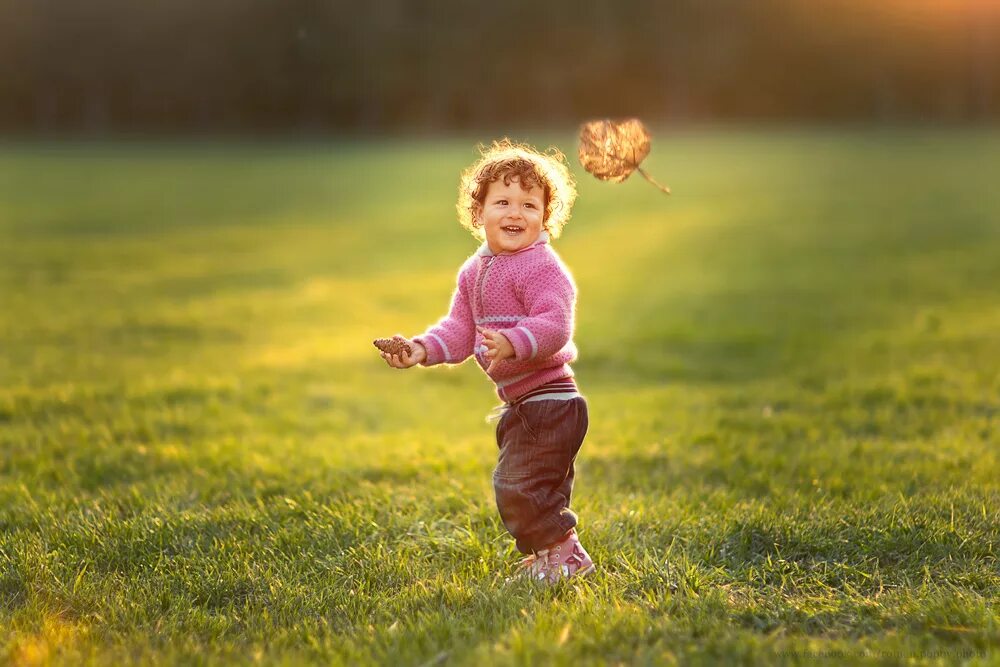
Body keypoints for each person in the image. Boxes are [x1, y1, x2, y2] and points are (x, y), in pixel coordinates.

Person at [377, 139, 594, 583]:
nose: (516, 213)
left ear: (545, 217)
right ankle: (550, 556)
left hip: (552, 400)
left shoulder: (542, 268)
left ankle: (566, 558)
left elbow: (556, 324)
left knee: (517, 485)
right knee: (533, 487)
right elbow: (459, 329)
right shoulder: (473, 272)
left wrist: (515, 342)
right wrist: (419, 349)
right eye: (503, 201)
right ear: (478, 214)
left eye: (529, 205)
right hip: (524, 403)